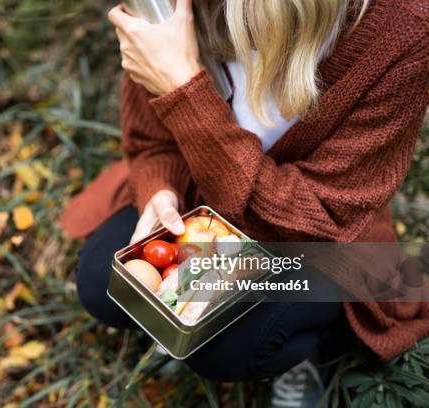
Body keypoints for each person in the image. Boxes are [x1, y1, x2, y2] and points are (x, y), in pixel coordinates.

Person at [61, 0, 428, 405]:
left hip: (311, 236)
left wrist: (184, 92)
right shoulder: (169, 5)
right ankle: (175, 332)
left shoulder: (405, 26)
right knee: (105, 282)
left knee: (236, 347)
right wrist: (160, 188)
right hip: (204, 201)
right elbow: (152, 136)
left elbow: (323, 217)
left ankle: (312, 352)